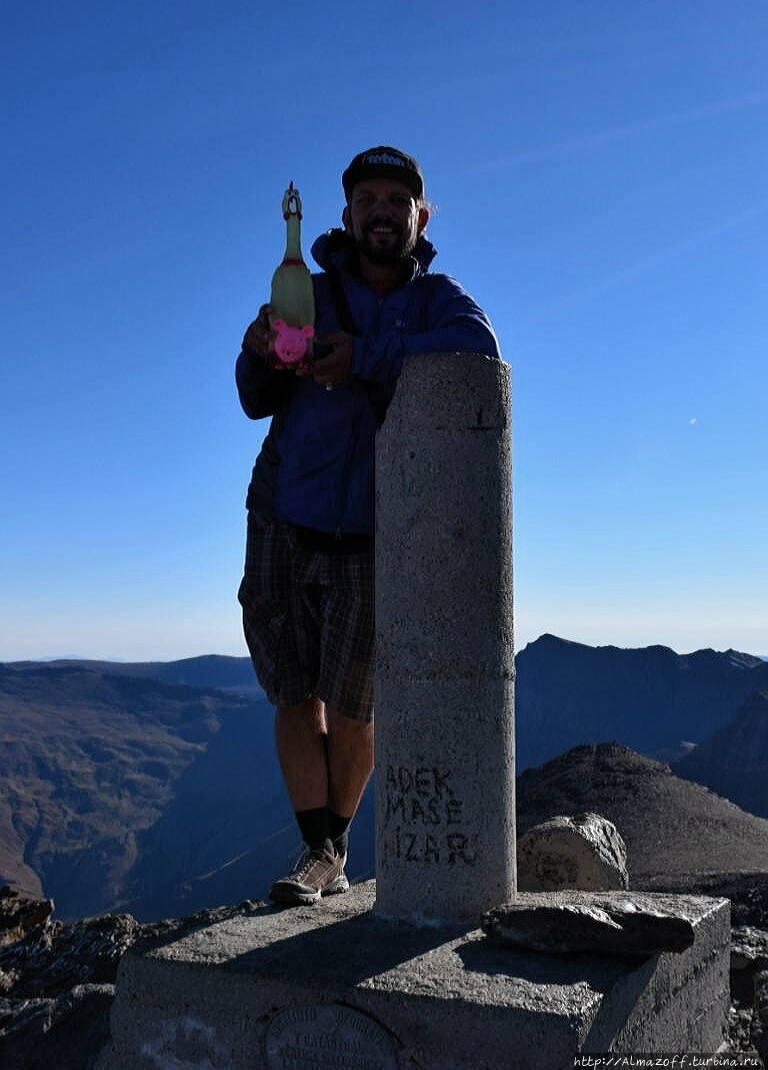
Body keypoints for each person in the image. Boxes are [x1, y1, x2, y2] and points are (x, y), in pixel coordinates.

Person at [236, 146, 500, 905]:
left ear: (421, 216)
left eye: (398, 201)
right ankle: (319, 854)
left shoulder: (437, 299)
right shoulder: (307, 293)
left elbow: (479, 348)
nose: (382, 212)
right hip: (283, 514)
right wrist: (261, 356)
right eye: (368, 200)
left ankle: (335, 845)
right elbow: (254, 398)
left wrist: (366, 357)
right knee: (292, 694)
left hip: (374, 533)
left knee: (353, 711)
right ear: (348, 216)